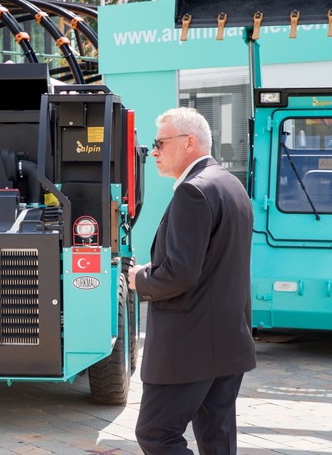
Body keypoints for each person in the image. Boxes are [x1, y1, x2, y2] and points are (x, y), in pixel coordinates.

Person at [128, 107, 256, 454]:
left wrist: (140, 278)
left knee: (156, 434)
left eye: (159, 143)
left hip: (187, 347)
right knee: (217, 438)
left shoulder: (193, 192)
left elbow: (179, 274)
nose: (152, 152)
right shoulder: (231, 184)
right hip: (228, 341)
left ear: (189, 143)